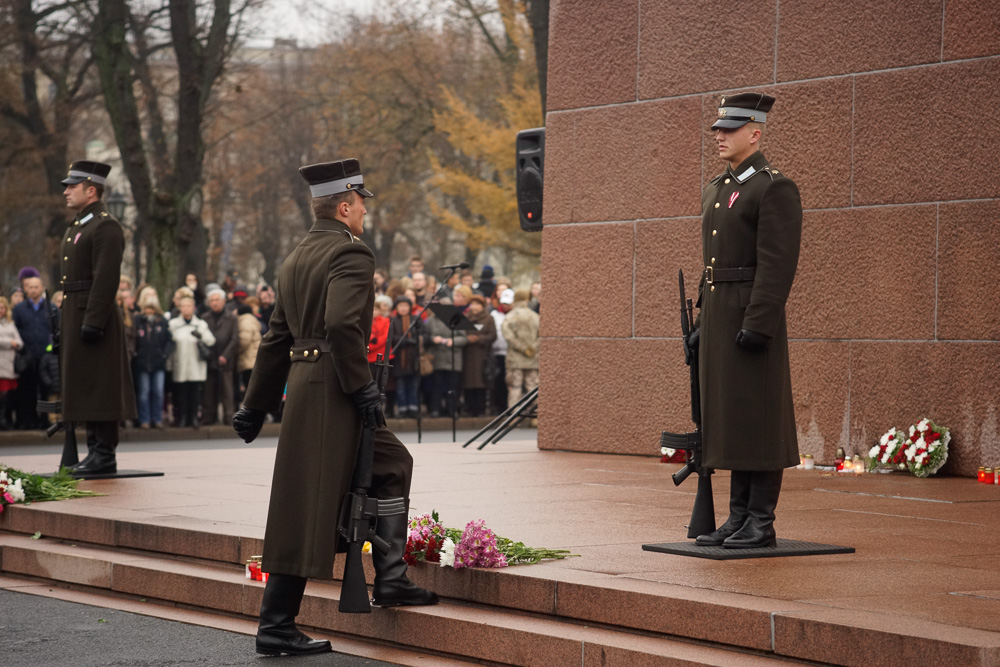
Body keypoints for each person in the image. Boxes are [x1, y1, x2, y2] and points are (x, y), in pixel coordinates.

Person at [232, 158, 437, 657]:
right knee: (308, 504)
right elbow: (344, 325)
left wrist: (254, 406)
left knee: (389, 466)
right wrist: (362, 387)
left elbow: (277, 338)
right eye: (361, 203)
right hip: (335, 387)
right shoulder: (352, 253)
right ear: (344, 207)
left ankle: (389, 578)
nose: (365, 212)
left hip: (307, 386)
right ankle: (277, 626)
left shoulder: (297, 255)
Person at [692, 93, 802, 550]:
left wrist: (759, 321)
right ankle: (738, 517)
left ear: (755, 132)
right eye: (718, 128)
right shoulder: (719, 189)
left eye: (730, 128)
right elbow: (712, 262)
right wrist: (703, 317)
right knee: (733, 418)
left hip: (752, 317)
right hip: (720, 317)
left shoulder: (773, 187)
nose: (719, 135)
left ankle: (761, 519)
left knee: (758, 417)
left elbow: (777, 264)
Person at [58, 160, 137, 473]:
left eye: (72, 186)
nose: (66, 191)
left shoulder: (105, 225)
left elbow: (105, 278)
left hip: (94, 316)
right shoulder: (81, 224)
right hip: (77, 312)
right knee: (85, 385)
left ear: (91, 190)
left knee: (100, 386)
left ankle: (104, 454)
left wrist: (92, 320)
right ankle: (94, 451)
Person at [11, 275, 55, 429]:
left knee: (45, 390)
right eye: (30, 287)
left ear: (42, 288)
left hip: (46, 356)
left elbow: (56, 329)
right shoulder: (19, 309)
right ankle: (27, 421)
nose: (34, 290)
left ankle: (45, 420)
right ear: (25, 289)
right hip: (27, 356)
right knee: (27, 390)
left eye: (37, 287)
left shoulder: (51, 307)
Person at [168, 296, 215, 428]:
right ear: (180, 308)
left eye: (189, 306)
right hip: (180, 364)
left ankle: (193, 417)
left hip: (196, 364)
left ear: (193, 308)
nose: (186, 309)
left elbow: (211, 341)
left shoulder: (200, 324)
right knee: (181, 393)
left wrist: (201, 335)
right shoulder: (173, 325)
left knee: (195, 393)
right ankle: (182, 418)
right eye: (184, 306)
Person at [133, 290, 173, 429]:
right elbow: (134, 339)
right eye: (147, 309)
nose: (149, 311)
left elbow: (169, 340)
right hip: (142, 362)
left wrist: (164, 354)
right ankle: (144, 419)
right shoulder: (138, 321)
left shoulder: (162, 321)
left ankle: (157, 419)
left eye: (152, 308)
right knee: (144, 392)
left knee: (158, 392)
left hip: (158, 362)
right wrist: (136, 354)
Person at [422, 297, 467, 418]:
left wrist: (453, 341)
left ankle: (451, 409)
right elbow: (426, 336)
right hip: (437, 357)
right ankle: (435, 409)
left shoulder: (458, 319)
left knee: (452, 386)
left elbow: (464, 338)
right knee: (436, 385)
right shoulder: (431, 320)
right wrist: (433, 339)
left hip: (453, 358)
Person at [201, 288, 238, 426]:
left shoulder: (231, 318)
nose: (214, 303)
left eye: (217, 300)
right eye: (212, 300)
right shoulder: (205, 318)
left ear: (223, 301)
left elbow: (235, 339)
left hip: (226, 359)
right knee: (209, 391)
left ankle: (229, 417)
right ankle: (209, 417)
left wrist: (226, 355)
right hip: (210, 358)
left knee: (227, 390)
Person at [501, 289, 539, 407]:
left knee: (515, 387)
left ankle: (514, 415)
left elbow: (508, 336)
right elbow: (542, 335)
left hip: (515, 359)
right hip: (532, 358)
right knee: (533, 387)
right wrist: (532, 348)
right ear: (527, 299)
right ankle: (536, 416)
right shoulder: (535, 316)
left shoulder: (510, 317)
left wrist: (522, 348)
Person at [461, 294, 496, 417]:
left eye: (477, 304)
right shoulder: (465, 318)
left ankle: (480, 409)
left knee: (480, 382)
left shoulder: (488, 319)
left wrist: (479, 339)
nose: (474, 307)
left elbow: (493, 335)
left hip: (482, 355)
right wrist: (467, 338)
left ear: (482, 306)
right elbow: (460, 333)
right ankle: (469, 408)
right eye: (473, 304)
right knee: (468, 383)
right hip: (467, 355)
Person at [389, 296, 420, 418]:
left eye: (405, 305)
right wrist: (406, 341)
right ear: (396, 307)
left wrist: (416, 340)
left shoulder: (415, 320)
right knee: (401, 386)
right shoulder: (393, 320)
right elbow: (392, 337)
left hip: (413, 359)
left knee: (413, 385)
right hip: (398, 359)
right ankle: (402, 409)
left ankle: (413, 408)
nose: (403, 308)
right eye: (400, 305)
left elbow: (424, 334)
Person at [0, 296, 24, 430]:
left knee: (8, 394)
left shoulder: (10, 323)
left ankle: (6, 418)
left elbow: (19, 342)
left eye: (2, 308)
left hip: (9, 363)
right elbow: (11, 341)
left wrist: (15, 344)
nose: (1, 310)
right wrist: (10, 342)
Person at [489, 288, 514, 413]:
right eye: (504, 303)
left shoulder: (515, 315)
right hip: (497, 353)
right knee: (498, 381)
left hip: (512, 353)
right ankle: (499, 407)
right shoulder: (494, 315)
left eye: (508, 303)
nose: (506, 306)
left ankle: (509, 407)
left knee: (510, 381)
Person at [236, 300, 262, 404]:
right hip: (254, 359)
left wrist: (236, 351)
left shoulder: (245, 321)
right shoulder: (252, 320)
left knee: (250, 388)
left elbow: (244, 341)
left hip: (248, 360)